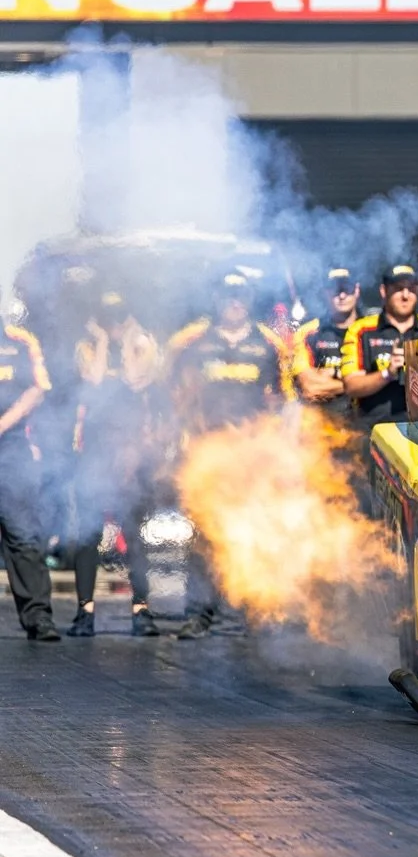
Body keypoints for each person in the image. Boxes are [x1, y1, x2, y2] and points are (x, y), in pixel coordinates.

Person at [167, 271, 294, 639]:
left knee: (252, 528)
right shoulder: (190, 341)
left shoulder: (269, 344)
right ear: (217, 297)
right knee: (205, 534)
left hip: (252, 454)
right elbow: (172, 393)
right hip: (206, 453)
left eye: (241, 294)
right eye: (227, 293)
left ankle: (249, 614)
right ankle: (198, 614)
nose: (234, 301)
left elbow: (283, 399)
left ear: (250, 297)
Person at [67, 291, 163, 637]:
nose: (115, 322)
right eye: (109, 317)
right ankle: (84, 612)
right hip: (94, 453)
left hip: (132, 453)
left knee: (134, 534)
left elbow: (136, 378)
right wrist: (104, 340)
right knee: (88, 533)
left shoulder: (143, 344)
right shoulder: (88, 347)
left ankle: (141, 611)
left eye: (121, 316)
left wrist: (128, 340)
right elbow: (93, 382)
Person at [0, 301, 61, 641]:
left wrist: (3, 424)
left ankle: (38, 617)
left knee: (23, 535)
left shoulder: (20, 342)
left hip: (11, 452)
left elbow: (38, 388)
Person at [340, 263, 418, 430]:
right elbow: (351, 386)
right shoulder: (361, 330)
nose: (405, 296)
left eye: (411, 289)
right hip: (374, 431)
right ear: (384, 291)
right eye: (398, 289)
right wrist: (388, 373)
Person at [291, 267, 362, 419]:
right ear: (325, 292)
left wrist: (333, 374)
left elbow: (387, 381)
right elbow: (311, 388)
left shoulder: (372, 330)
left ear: (356, 290)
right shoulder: (307, 333)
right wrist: (363, 383)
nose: (342, 295)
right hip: (323, 427)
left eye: (347, 289)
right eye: (335, 289)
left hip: (367, 426)